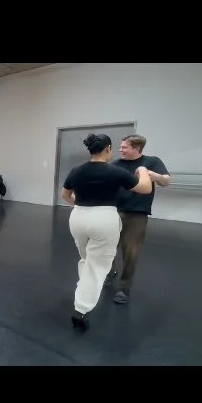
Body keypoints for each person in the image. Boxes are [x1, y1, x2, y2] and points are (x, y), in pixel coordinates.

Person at [62, 134, 152, 331]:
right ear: (108, 149)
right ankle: (81, 310)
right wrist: (143, 171)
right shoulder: (115, 171)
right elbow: (145, 188)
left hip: (78, 218)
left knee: (87, 259)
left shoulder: (76, 170)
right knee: (96, 266)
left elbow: (65, 195)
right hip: (104, 219)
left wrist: (83, 205)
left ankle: (84, 287)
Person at [107, 135, 171, 304]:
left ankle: (124, 287)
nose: (120, 149)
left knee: (131, 252)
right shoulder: (115, 165)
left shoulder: (152, 162)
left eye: (124, 147)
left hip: (136, 214)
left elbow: (166, 181)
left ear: (136, 148)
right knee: (108, 247)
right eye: (120, 147)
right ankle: (109, 272)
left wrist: (152, 175)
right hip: (113, 211)